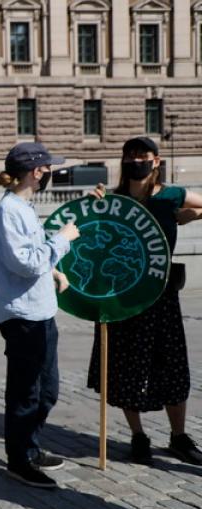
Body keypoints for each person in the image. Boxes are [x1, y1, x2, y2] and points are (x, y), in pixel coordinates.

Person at [87, 136, 202, 466]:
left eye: (143, 155)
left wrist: (192, 216)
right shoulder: (114, 199)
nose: (136, 160)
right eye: (131, 155)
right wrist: (94, 206)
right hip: (122, 296)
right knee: (126, 370)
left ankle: (178, 436)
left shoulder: (171, 195)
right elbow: (91, 237)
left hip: (161, 295)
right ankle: (138, 436)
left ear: (156, 160)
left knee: (171, 366)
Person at [0, 142, 78, 489]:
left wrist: (54, 272)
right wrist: (63, 239)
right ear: (37, 172)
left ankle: (31, 444)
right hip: (23, 315)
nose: (51, 173)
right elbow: (24, 262)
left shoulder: (22, 207)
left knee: (47, 390)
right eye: (48, 168)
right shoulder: (10, 210)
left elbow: (32, 258)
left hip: (40, 310)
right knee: (26, 391)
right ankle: (19, 459)